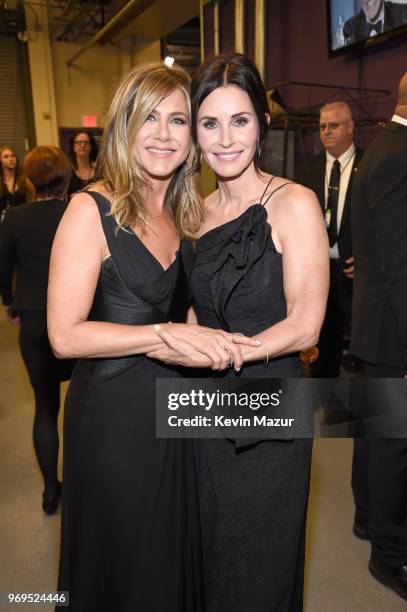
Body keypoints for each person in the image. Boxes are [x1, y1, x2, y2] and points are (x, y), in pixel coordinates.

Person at [48, 61, 256, 612]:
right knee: (124, 558)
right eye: (149, 119)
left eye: (178, 120)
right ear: (124, 127)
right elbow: (64, 337)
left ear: (192, 136)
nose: (163, 134)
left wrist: (212, 341)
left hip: (176, 409)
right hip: (113, 417)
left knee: (168, 555)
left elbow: (179, 312)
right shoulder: (89, 210)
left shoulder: (186, 213)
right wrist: (156, 334)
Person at [153, 53, 329, 612]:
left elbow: (306, 324)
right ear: (195, 133)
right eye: (210, 123)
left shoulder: (294, 204)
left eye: (240, 120)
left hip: (271, 408)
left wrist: (232, 351)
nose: (226, 139)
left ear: (263, 123)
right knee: (209, 556)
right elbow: (197, 310)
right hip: (206, 409)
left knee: (259, 566)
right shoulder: (194, 212)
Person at [350, 72, 407, 601]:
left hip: (376, 324)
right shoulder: (398, 154)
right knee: (394, 446)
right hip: (395, 330)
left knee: (374, 439)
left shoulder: (380, 149)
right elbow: (398, 260)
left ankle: (367, 519)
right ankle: (389, 557)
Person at [0, 146, 75, 514]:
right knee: (84, 405)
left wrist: (10, 303)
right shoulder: (80, 212)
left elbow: (3, 271)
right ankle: (87, 485)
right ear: (66, 176)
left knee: (45, 409)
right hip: (81, 324)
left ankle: (50, 492)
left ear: (29, 180)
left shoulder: (14, 218)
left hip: (34, 319)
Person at [297, 101, 363, 379]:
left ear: (350, 127)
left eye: (333, 125)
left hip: (355, 271)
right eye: (322, 126)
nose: (326, 132)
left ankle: (366, 413)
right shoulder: (308, 170)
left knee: (362, 348)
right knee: (323, 348)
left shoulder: (369, 164)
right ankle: (323, 408)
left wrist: (367, 258)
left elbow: (384, 222)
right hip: (318, 271)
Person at [67, 130, 98, 197]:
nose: (82, 145)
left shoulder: (99, 170)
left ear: (91, 146)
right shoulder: (67, 171)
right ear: (73, 146)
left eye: (86, 142)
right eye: (78, 142)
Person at [0, 146, 28, 220]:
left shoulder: (25, 181)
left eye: (13, 156)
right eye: (6, 157)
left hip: (22, 221)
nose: (11, 159)